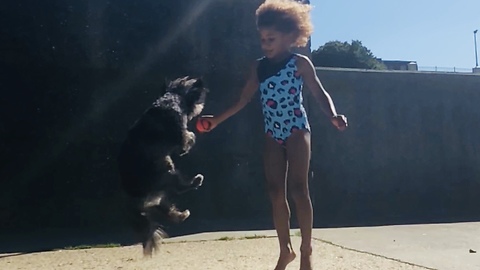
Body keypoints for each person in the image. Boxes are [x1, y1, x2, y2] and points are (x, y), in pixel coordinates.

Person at [200, 0, 348, 269]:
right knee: (274, 191)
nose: (265, 44)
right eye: (262, 39)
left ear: (291, 36)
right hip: (272, 132)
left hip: (296, 129)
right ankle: (285, 250)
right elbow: (243, 100)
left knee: (299, 189)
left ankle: (306, 249)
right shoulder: (258, 67)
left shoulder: (300, 63)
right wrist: (216, 119)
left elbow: (318, 93)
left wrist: (333, 115)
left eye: (271, 39)